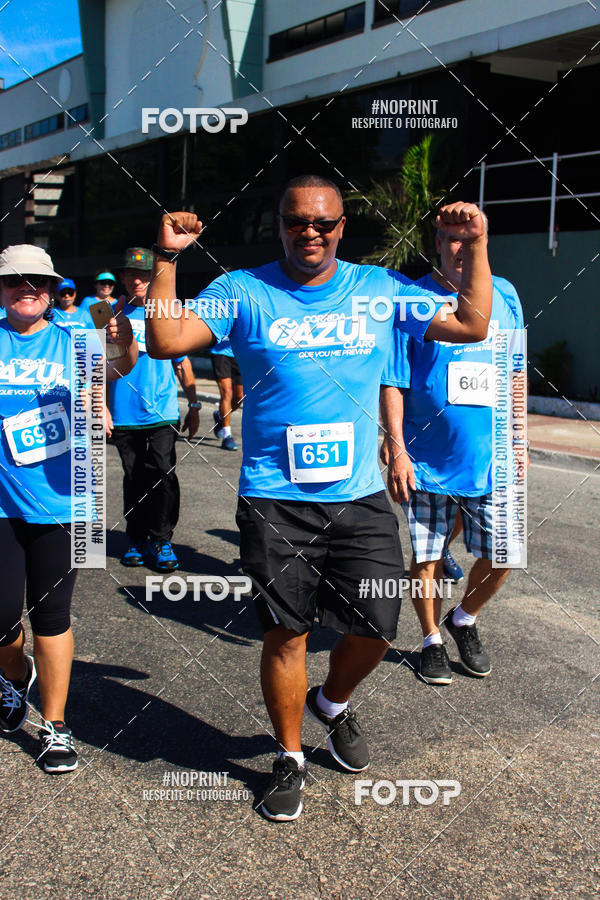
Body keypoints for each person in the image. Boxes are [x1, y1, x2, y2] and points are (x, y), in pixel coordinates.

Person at [145, 175, 492, 822]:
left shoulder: (380, 291)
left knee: (378, 626)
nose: (311, 232)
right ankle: (289, 755)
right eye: (297, 221)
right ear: (280, 224)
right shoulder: (242, 291)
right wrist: (167, 261)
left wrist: (473, 246)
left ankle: (331, 702)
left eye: (325, 223)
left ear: (341, 227)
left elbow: (472, 324)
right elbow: (163, 341)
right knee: (287, 632)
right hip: (275, 498)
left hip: (358, 495)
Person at [0, 244, 136, 772]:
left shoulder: (75, 339)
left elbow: (115, 368)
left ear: (53, 288)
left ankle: (55, 726)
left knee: (52, 615)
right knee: (2, 615)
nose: (27, 289)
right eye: (15, 282)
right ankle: (14, 678)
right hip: (2, 504)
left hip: (69, 499)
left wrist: (122, 353)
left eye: (37, 281)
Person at [380, 216, 525, 686]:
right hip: (427, 460)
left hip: (492, 458)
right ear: (437, 244)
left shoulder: (505, 295)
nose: (461, 250)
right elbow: (394, 379)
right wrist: (398, 448)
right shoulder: (412, 299)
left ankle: (463, 619)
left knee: (505, 554)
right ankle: (430, 640)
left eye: (471, 241)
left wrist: (518, 438)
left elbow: (517, 370)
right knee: (427, 557)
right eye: (453, 241)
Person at [107, 247, 200, 573]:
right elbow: (101, 365)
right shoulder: (106, 313)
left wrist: (194, 404)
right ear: (122, 277)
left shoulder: (166, 312)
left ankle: (161, 539)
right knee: (133, 477)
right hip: (123, 413)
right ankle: (136, 538)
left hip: (162, 412)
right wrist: (101, 407)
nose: (137, 280)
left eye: (144, 274)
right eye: (131, 274)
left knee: (162, 473)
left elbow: (183, 363)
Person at [211, 336, 243, 451]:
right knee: (226, 392)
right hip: (220, 352)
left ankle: (220, 416)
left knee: (239, 397)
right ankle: (227, 436)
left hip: (240, 353)